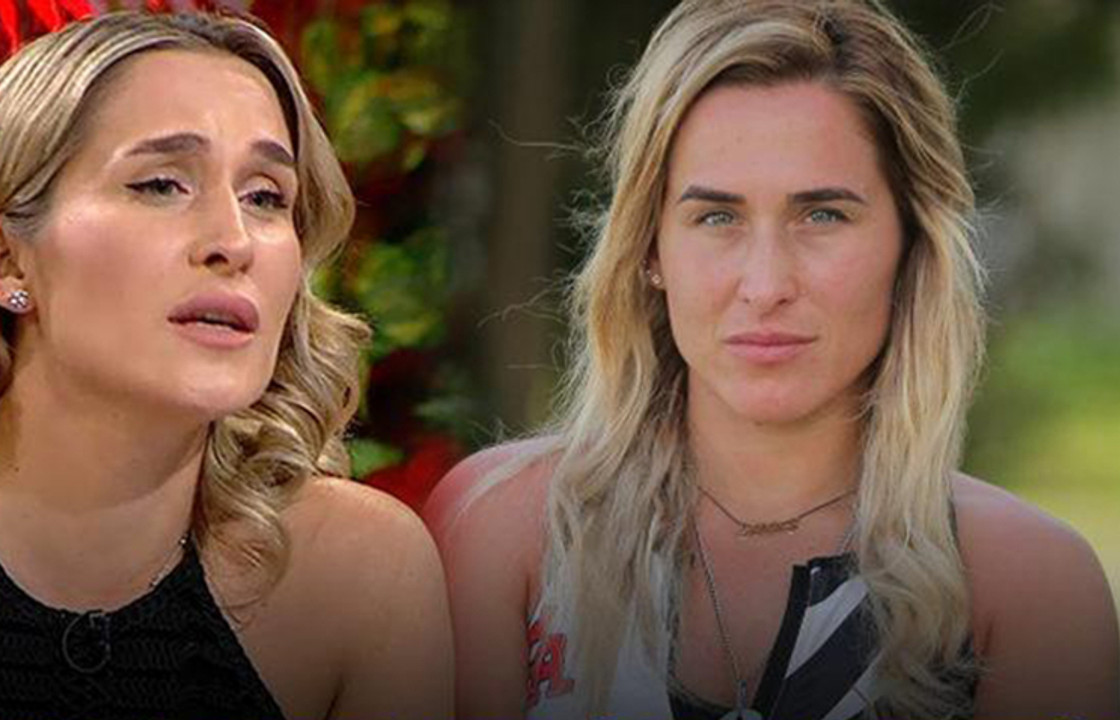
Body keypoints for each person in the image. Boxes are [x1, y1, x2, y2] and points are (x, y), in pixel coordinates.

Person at [425, 1, 1119, 719]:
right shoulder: (502, 532)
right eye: (716, 217)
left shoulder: (1030, 588)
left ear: (911, 244)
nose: (766, 285)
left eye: (823, 215)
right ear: (650, 248)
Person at [0, 11, 451, 719]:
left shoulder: (362, 573)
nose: (234, 242)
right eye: (161, 184)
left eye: (265, 197)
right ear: (3, 259)